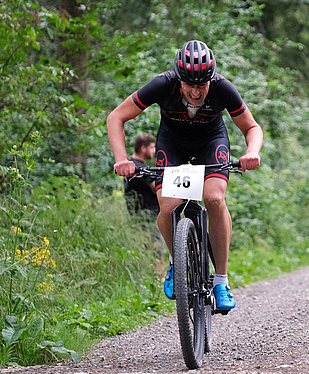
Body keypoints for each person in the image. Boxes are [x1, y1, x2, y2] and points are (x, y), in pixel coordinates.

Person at [107, 40, 263, 311]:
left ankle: (221, 281)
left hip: (211, 142)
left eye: (202, 85)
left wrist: (252, 152)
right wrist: (122, 159)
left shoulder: (222, 88)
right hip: (172, 145)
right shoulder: (162, 84)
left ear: (211, 80)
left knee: (214, 198)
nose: (195, 91)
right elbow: (116, 117)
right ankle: (175, 262)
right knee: (168, 206)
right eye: (189, 84)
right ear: (179, 79)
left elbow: (252, 127)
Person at [123, 133, 165, 260]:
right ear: (143, 148)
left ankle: (155, 276)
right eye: (152, 147)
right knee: (158, 249)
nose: (154, 151)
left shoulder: (133, 165)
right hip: (148, 214)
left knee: (150, 248)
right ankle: (160, 277)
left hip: (141, 214)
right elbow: (155, 187)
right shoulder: (137, 167)